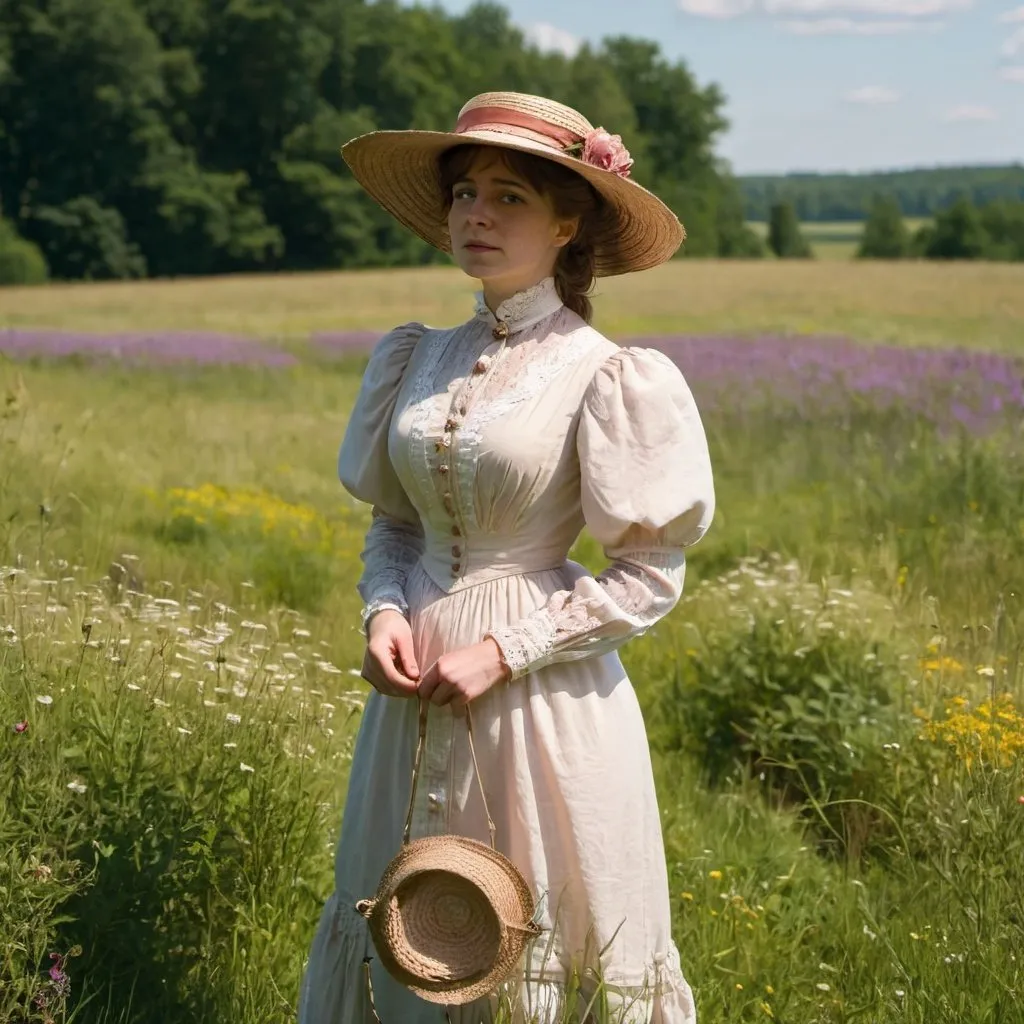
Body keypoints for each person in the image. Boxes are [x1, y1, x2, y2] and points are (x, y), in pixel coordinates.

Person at [298, 91, 715, 1024]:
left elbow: (650, 572)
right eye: (464, 195)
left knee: (539, 933)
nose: (476, 215)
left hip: (540, 703)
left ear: (570, 223)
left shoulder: (607, 373)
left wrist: (503, 651)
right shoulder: (414, 358)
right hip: (408, 707)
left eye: (510, 197)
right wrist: (384, 613)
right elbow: (398, 528)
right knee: (408, 929)